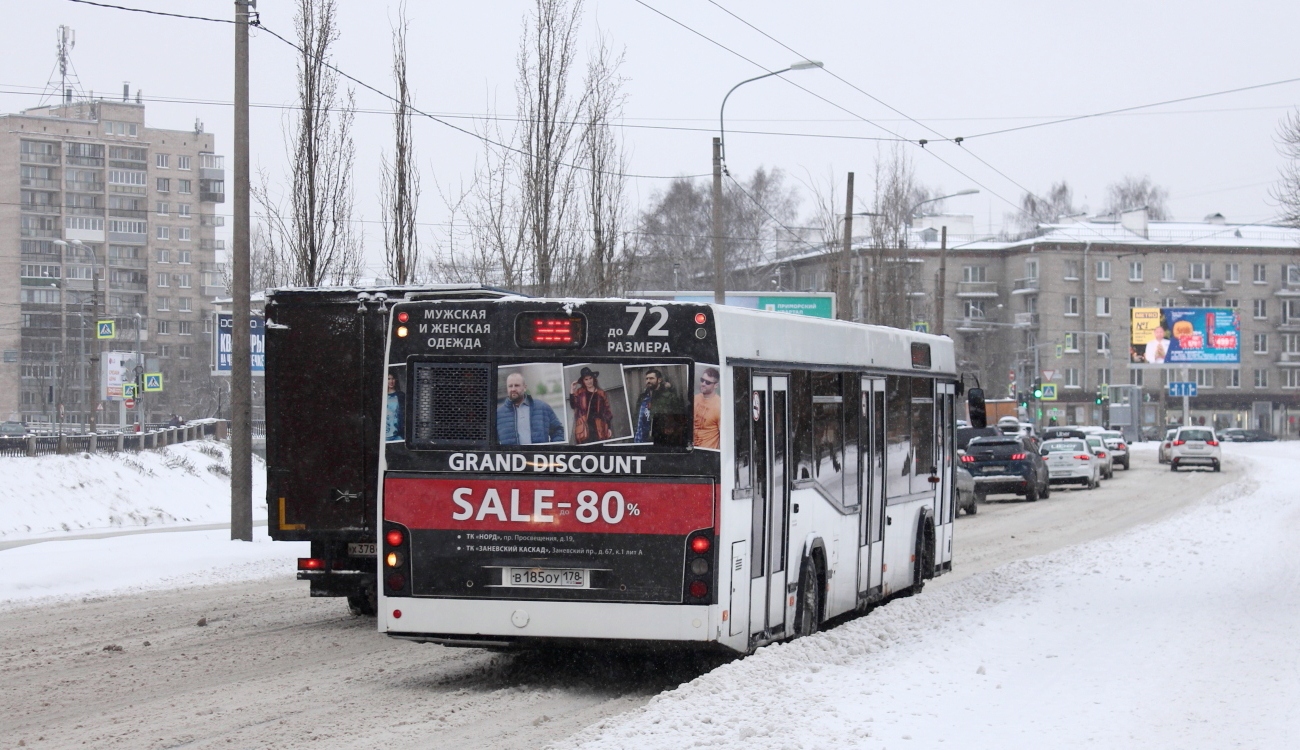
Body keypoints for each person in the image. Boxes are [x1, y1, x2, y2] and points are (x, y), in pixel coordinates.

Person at [497, 372, 565, 445]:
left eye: (517, 385)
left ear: (525, 387)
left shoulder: (542, 407)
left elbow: (558, 430)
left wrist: (551, 451)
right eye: (510, 386)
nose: (513, 389)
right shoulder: (498, 414)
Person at [633, 368, 686, 444]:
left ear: (659, 380)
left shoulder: (669, 397)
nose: (648, 381)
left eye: (651, 378)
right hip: (641, 438)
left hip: (660, 439)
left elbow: (679, 418)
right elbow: (636, 417)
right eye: (647, 379)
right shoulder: (642, 397)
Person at [568, 367, 614, 444]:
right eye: (586, 379)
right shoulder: (579, 392)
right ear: (583, 381)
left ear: (593, 379)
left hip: (599, 428)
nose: (589, 381)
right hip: (584, 428)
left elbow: (607, 412)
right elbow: (573, 405)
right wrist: (572, 390)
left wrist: (609, 428)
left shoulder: (601, 393)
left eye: (590, 378)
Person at [693, 367, 721, 449]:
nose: (703, 384)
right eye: (702, 380)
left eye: (708, 382)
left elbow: (725, 437)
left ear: (716, 385)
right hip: (692, 452)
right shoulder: (695, 398)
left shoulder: (719, 406)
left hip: (707, 455)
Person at [385, 372, 405, 441]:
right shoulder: (382, 396)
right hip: (385, 435)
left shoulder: (401, 395)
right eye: (388, 379)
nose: (391, 381)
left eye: (393, 379)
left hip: (398, 434)